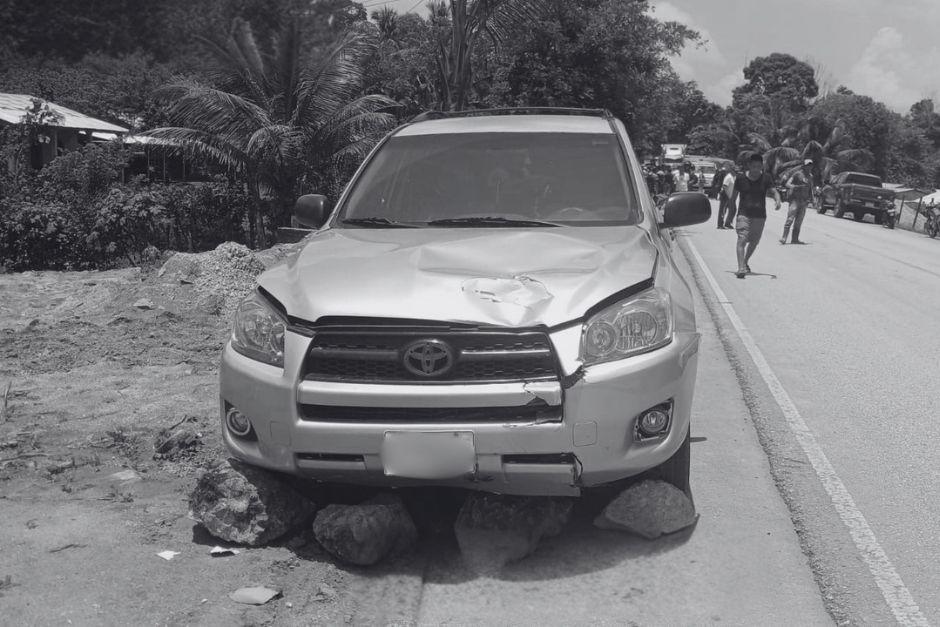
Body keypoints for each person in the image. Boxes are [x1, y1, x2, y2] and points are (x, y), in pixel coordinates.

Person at [730, 153, 781, 278]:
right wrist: (730, 214)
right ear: (749, 166)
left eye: (759, 167)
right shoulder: (741, 178)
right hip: (743, 214)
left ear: (762, 167)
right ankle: (741, 267)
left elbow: (774, 191)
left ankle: (745, 261)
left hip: (760, 216)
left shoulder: (766, 178)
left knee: (754, 242)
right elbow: (733, 198)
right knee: (742, 239)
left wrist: (778, 200)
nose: (756, 170)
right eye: (754, 166)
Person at [780, 159, 815, 244]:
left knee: (799, 222)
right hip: (795, 200)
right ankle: (784, 238)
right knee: (790, 219)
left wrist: (813, 200)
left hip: (804, 201)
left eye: (811, 165)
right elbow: (787, 184)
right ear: (804, 166)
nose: (809, 167)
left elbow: (810, 189)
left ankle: (795, 239)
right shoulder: (797, 174)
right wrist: (795, 187)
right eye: (808, 165)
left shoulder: (810, 176)